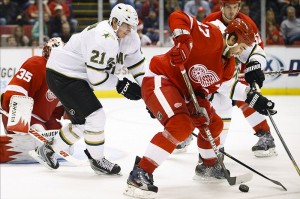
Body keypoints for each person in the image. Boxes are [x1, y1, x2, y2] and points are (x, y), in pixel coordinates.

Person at [124, 11, 275, 198]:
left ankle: (209, 167)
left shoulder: (228, 66)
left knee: (214, 124)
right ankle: (140, 173)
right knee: (181, 126)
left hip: (189, 92)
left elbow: (229, 87)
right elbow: (178, 16)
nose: (240, 52)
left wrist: (254, 98)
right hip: (162, 79)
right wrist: (184, 41)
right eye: (241, 47)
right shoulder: (211, 35)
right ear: (233, 38)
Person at [31, 3, 145, 175]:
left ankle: (49, 150)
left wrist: (148, 91)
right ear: (114, 21)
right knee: (96, 116)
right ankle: (97, 160)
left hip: (72, 75)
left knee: (85, 122)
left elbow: (137, 64)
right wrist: (122, 85)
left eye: (132, 26)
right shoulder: (103, 37)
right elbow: (97, 78)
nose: (129, 30)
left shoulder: (129, 37)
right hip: (63, 75)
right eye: (126, 25)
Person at [194, 0, 277, 157]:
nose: (231, 12)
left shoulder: (247, 23)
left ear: (239, 7)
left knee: (245, 97)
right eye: (228, 8)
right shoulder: (211, 21)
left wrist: (253, 66)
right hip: (216, 67)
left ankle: (265, 134)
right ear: (221, 6)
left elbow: (256, 51)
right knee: (204, 101)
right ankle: (194, 136)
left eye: (234, 8)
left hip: (241, 68)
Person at [0, 37, 67, 164]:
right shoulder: (36, 63)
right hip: (23, 115)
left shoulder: (61, 75)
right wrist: (19, 120)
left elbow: (57, 106)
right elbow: (16, 90)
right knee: (39, 133)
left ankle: (31, 144)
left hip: (42, 118)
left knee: (66, 143)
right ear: (48, 52)